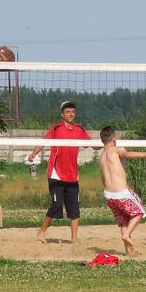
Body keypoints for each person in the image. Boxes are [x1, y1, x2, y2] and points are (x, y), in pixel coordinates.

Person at [27, 100, 93, 244]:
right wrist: (33, 154)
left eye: (73, 111)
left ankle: (74, 240)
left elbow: (92, 145)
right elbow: (43, 142)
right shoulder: (56, 128)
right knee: (56, 206)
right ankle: (42, 232)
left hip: (72, 175)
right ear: (62, 114)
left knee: (74, 209)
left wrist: (105, 143)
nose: (71, 113)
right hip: (56, 174)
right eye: (68, 111)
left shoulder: (80, 129)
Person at [98, 126, 146, 255]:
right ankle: (127, 235)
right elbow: (127, 154)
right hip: (120, 193)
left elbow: (104, 178)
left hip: (109, 195)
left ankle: (128, 251)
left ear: (102, 140)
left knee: (124, 221)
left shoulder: (102, 156)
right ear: (114, 139)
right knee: (140, 213)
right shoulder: (116, 150)